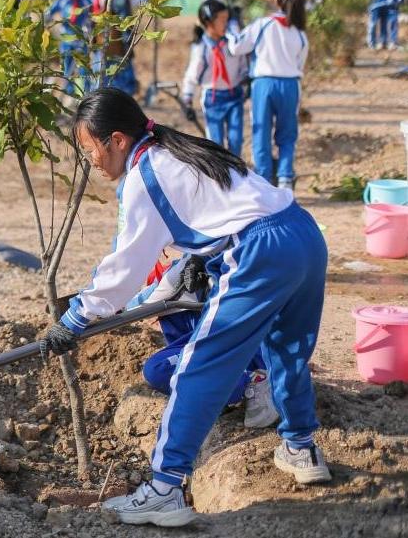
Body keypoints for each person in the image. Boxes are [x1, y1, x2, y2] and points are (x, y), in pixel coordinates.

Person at [43, 87, 330, 528]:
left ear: (116, 140)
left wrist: (76, 317)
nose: (90, 161)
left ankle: (164, 489)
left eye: (89, 149)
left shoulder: (143, 176)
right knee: (287, 348)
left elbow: (125, 267)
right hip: (302, 233)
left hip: (257, 252)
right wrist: (198, 255)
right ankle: (301, 447)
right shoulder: (182, 149)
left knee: (200, 366)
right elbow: (224, 207)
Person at [129, 255, 278, 429]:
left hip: (242, 341)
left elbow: (138, 305)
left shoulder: (180, 272)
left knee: (157, 369)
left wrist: (107, 309)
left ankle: (254, 382)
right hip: (235, 343)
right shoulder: (193, 265)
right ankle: (230, 390)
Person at [227, 0, 308, 190]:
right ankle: (285, 179)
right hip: (291, 86)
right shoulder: (300, 34)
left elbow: (236, 47)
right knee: (287, 135)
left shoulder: (263, 24)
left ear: (278, 0)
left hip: (264, 85)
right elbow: (300, 63)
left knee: (261, 133)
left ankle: (264, 181)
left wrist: (232, 25)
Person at [181, 0, 248, 156]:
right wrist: (187, 100)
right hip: (213, 99)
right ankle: (220, 170)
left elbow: (243, 63)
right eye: (222, 20)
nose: (226, 24)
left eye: (227, 19)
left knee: (236, 140)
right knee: (216, 143)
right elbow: (192, 75)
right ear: (209, 22)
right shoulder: (201, 48)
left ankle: (234, 169)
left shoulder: (232, 43)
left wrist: (246, 79)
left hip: (235, 96)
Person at [91, 0, 138, 95]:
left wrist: (126, 42)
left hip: (115, 43)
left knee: (118, 79)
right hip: (103, 41)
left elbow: (123, 18)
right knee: (102, 79)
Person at [47, 0, 93, 96]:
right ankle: (70, 95)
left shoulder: (86, 2)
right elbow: (49, 13)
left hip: (81, 43)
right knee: (67, 70)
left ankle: (87, 96)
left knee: (84, 71)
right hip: (66, 42)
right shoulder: (62, 0)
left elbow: (92, 22)